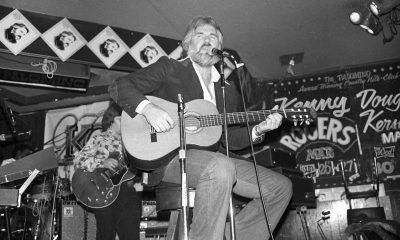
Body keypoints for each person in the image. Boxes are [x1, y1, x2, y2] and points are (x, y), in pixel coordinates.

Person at [109, 16, 292, 240]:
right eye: (200, 35)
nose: (207, 39)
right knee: (220, 166)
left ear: (219, 48)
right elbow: (119, 86)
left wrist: (259, 130)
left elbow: (228, 139)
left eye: (212, 36)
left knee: (281, 188)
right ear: (188, 44)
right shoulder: (170, 68)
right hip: (169, 159)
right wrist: (148, 109)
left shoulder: (226, 89)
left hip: (215, 159)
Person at [72, 101, 141, 240]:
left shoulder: (132, 142)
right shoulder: (100, 138)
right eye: (121, 119)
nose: (126, 122)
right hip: (104, 192)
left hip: (128, 193)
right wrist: (102, 162)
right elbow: (78, 160)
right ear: (111, 120)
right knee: (105, 236)